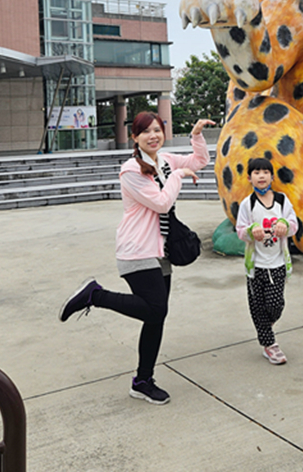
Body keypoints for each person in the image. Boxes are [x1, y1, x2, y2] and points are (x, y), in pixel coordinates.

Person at [59, 112, 214, 405]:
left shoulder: (164, 160)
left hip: (160, 251)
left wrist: (195, 136)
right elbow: (161, 202)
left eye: (157, 130)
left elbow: (199, 162)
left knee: (157, 318)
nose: (153, 135)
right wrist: (178, 177)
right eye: (146, 132)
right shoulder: (131, 170)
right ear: (135, 137)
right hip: (136, 249)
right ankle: (95, 295)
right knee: (154, 310)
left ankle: (143, 381)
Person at [235, 157, 299, 365]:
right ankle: (269, 345)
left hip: (278, 263)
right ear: (249, 178)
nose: (261, 176)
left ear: (272, 176)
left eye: (265, 172)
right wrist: (251, 231)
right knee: (257, 306)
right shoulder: (248, 204)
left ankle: (265, 325)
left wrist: (284, 225)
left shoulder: (282, 200)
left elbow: (294, 224)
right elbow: (240, 230)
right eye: (256, 172)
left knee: (275, 304)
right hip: (256, 266)